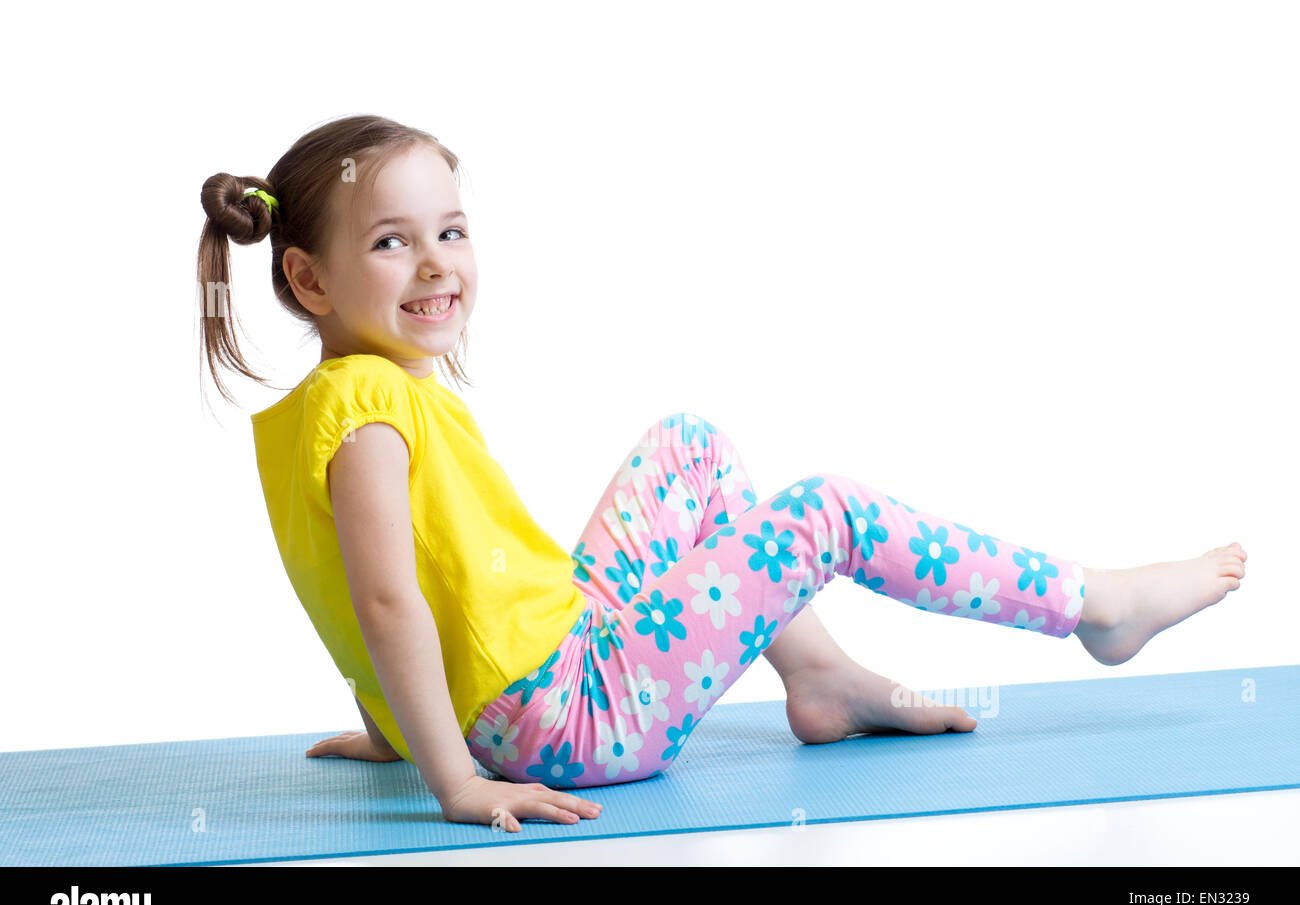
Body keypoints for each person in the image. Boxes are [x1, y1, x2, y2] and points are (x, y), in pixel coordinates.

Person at [196, 114, 1248, 834]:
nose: (436, 263)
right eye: (392, 240)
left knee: (689, 447)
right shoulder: (374, 411)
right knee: (824, 511)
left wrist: (387, 722)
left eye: (451, 231)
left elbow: (380, 586)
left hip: (555, 652)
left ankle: (818, 676)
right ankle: (1094, 605)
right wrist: (452, 774)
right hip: (565, 714)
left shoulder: (326, 412)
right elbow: (386, 604)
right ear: (308, 277)